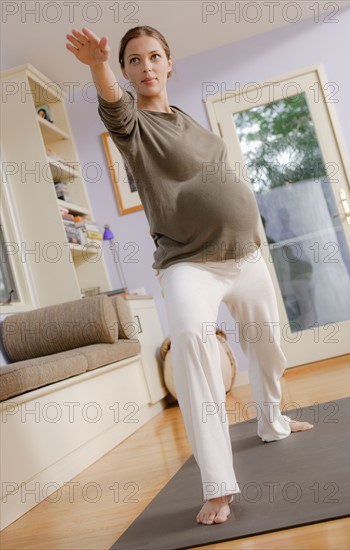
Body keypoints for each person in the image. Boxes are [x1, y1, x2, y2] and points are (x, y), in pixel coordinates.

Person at [66, 26, 314, 526]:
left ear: (170, 62)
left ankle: (271, 420)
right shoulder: (133, 126)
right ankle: (219, 486)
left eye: (154, 56)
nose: (146, 66)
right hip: (187, 263)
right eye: (133, 60)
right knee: (192, 349)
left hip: (244, 255)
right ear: (128, 71)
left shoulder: (189, 123)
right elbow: (114, 105)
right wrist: (98, 66)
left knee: (267, 345)